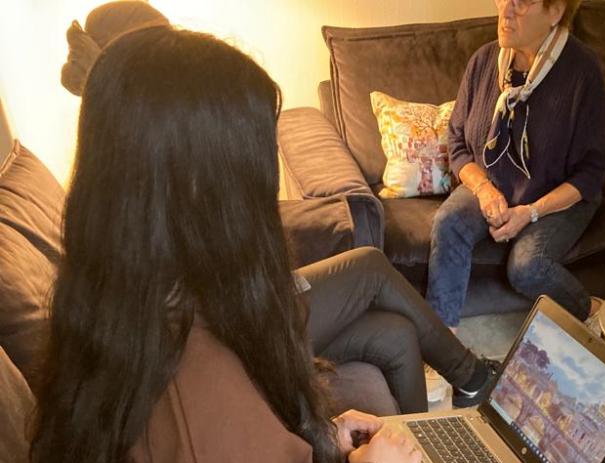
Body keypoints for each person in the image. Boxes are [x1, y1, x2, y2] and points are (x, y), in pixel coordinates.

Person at [30, 25, 555, 463]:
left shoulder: (126, 294)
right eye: (256, 159)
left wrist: (321, 444)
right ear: (207, 183)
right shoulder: (189, 372)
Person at [60, 1, 500, 413]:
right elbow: (198, 321)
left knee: (395, 334)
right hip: (235, 336)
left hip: (241, 313)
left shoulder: (142, 165)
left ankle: (426, 454)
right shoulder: (138, 193)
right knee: (368, 267)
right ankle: (473, 376)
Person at [426, 0, 605, 329]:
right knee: (448, 223)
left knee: (527, 267)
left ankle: (590, 309)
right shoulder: (484, 61)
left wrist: (530, 212)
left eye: (522, 2)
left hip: (557, 195)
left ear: (555, 11)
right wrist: (484, 190)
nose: (506, 11)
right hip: (492, 182)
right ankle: (441, 339)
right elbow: (457, 143)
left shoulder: (583, 71)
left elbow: (591, 173)